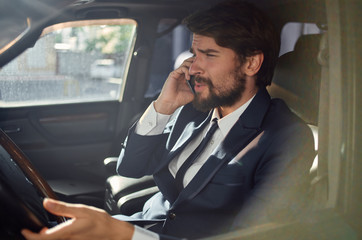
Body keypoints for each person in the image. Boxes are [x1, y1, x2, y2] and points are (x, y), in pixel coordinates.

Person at [22, 1, 315, 239]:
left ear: (251, 63)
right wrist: (163, 107)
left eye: (209, 55)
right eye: (194, 53)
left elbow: (254, 236)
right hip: (141, 224)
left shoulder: (286, 137)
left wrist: (126, 235)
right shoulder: (193, 109)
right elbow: (130, 167)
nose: (193, 67)